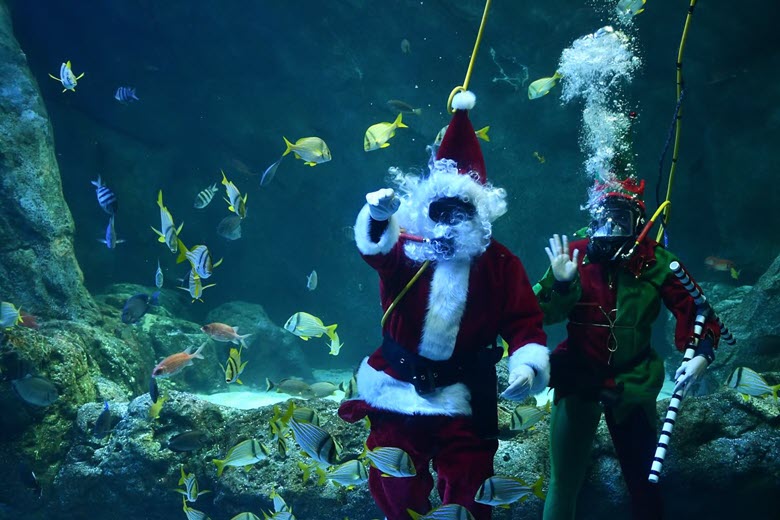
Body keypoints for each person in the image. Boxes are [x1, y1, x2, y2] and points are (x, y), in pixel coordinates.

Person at [338, 91, 549, 520]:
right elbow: (376, 251)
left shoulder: (501, 263)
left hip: (466, 395)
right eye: (441, 210)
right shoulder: (410, 249)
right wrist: (377, 216)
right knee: (394, 487)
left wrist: (527, 365)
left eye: (461, 211)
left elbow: (525, 322)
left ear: (480, 213)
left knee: (470, 493)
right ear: (425, 209)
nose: (449, 222)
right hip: (397, 388)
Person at [536, 177, 721, 520]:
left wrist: (700, 354)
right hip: (577, 377)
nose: (612, 227)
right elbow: (539, 314)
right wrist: (562, 284)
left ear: (639, 221)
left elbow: (698, 310)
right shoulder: (573, 253)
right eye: (605, 218)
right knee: (563, 482)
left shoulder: (657, 260)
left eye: (621, 218)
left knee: (644, 483)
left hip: (634, 382)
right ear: (592, 217)